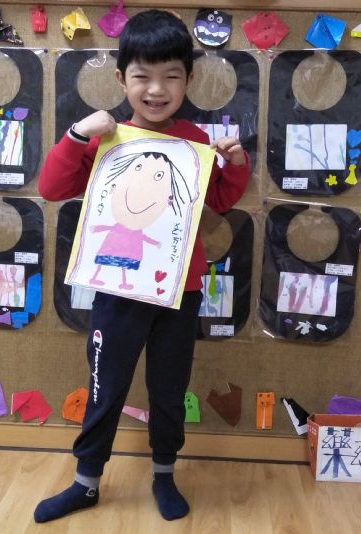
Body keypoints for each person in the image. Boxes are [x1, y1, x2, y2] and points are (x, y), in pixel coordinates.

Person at [35, 8, 250, 523]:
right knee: (105, 384)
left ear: (188, 80)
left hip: (179, 289)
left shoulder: (195, 140)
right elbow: (51, 188)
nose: (156, 89)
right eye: (142, 76)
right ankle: (86, 481)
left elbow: (220, 200)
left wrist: (236, 163)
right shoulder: (106, 136)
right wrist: (77, 134)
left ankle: (164, 473)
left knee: (169, 389)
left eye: (171, 76)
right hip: (117, 288)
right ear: (121, 79)